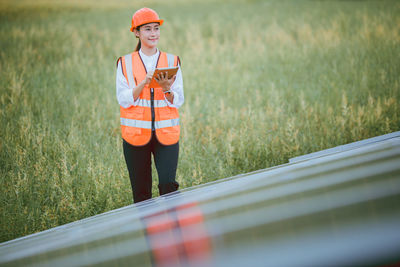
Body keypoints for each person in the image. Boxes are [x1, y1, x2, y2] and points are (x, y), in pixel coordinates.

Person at [116, 7, 184, 203]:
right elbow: (123, 98)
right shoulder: (124, 63)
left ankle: (174, 230)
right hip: (135, 136)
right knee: (142, 195)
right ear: (136, 32)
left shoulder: (172, 60)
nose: (153, 33)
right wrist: (143, 83)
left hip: (166, 135)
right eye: (147, 29)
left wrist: (166, 89)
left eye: (156, 28)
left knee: (168, 186)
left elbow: (179, 99)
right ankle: (150, 233)